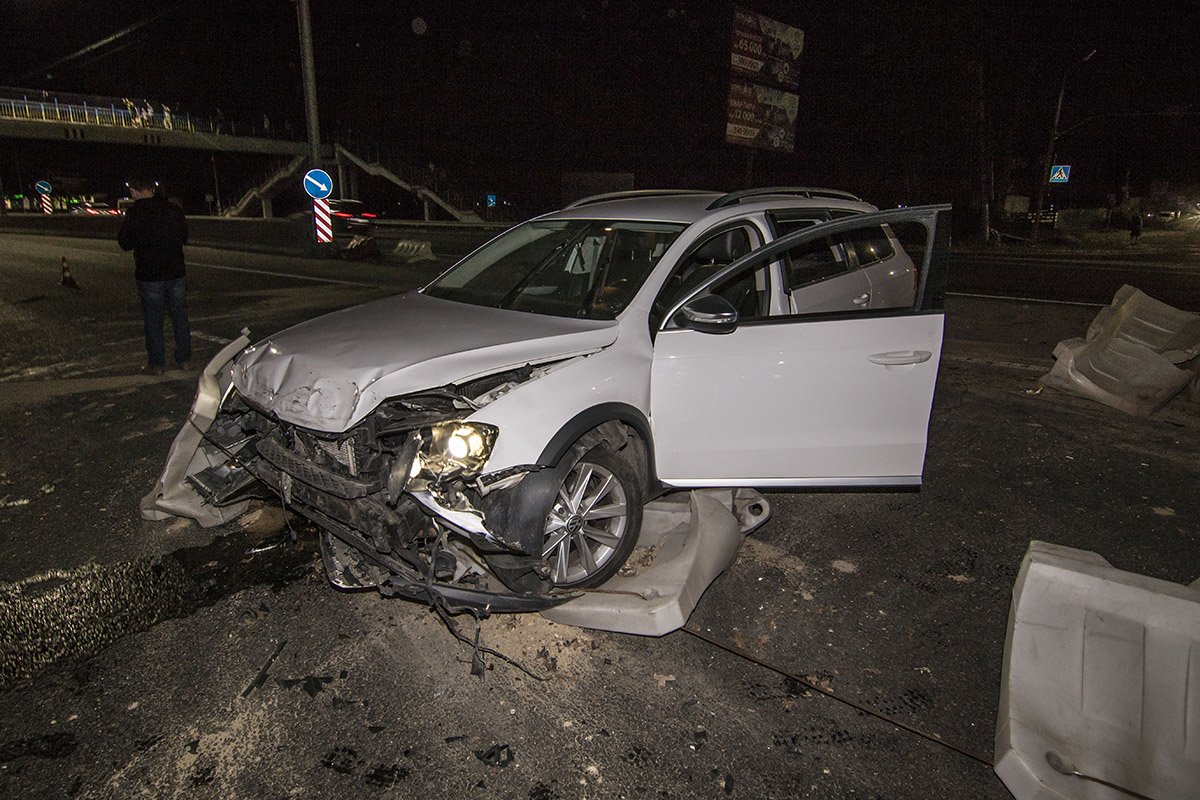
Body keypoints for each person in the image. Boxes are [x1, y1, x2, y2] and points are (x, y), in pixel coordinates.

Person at [118, 177, 191, 375]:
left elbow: (124, 243)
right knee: (179, 316)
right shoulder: (173, 209)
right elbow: (185, 236)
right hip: (176, 271)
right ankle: (183, 359)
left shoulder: (135, 212)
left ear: (135, 191)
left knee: (153, 319)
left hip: (149, 273)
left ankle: (157, 364)